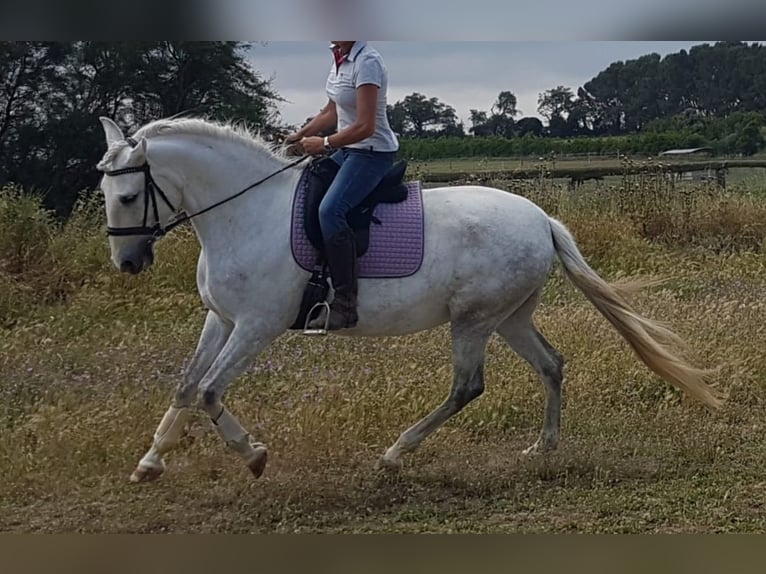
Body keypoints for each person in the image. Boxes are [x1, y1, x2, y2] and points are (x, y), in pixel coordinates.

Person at [285, 41, 399, 331]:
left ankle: (345, 304)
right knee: (306, 184)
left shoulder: (367, 62)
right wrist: (299, 135)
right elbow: (331, 111)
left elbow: (365, 127)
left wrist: (323, 143)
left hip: (372, 153)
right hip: (348, 150)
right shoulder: (340, 60)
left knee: (330, 211)